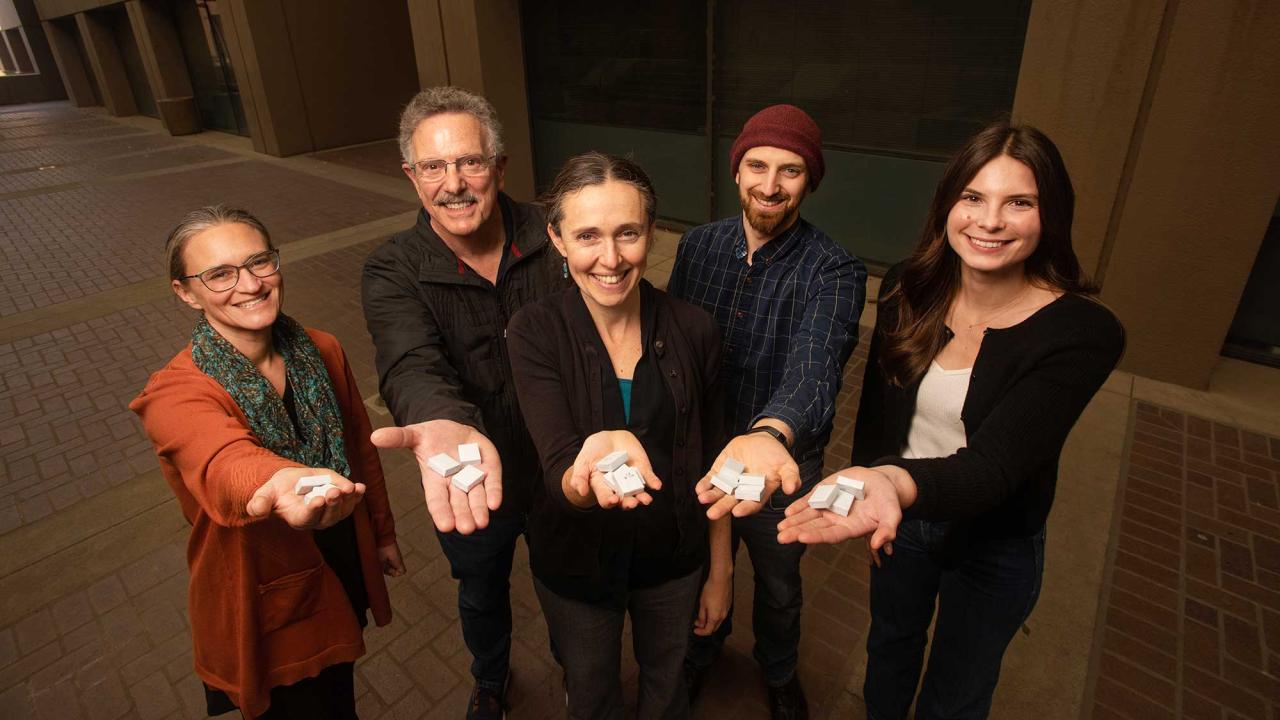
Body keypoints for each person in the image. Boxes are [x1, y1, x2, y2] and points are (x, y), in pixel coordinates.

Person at [777, 121, 1126, 719]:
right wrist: (869, 480)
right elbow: (881, 419)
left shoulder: (1081, 334)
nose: (989, 221)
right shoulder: (908, 287)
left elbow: (994, 468)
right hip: (901, 522)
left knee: (958, 691)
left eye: (1019, 202)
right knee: (889, 650)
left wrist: (891, 484)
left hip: (994, 539)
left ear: (1051, 215)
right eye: (973, 197)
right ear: (948, 204)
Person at [130, 206, 403, 720]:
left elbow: (361, 452)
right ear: (185, 292)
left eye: (260, 262)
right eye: (220, 274)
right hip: (265, 584)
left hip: (339, 550)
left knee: (338, 694)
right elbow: (219, 458)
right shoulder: (175, 391)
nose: (250, 284)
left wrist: (382, 534)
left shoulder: (321, 348)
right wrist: (277, 481)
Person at [361, 86, 567, 719]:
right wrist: (443, 424)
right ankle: (490, 679)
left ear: (499, 167)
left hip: (561, 464)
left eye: (470, 162)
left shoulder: (554, 234)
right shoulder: (392, 269)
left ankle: (578, 673)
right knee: (480, 589)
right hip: (469, 476)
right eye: (433, 167)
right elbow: (409, 361)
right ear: (412, 177)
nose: (454, 183)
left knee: (571, 584)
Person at [506, 152, 731, 719]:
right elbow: (560, 466)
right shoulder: (534, 331)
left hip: (675, 562)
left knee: (667, 686)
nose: (610, 259)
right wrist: (584, 477)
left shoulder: (694, 328)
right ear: (556, 238)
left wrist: (720, 572)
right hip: (576, 567)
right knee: (590, 690)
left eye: (627, 233)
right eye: (587, 235)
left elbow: (717, 466)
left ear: (652, 233)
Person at [668, 104, 866, 718]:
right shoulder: (698, 247)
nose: (770, 185)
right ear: (737, 172)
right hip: (700, 455)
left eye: (791, 171)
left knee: (780, 586)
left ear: (810, 181)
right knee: (698, 567)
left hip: (780, 470)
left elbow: (816, 367)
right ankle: (703, 654)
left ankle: (778, 673)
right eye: (757, 165)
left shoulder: (833, 269)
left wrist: (769, 432)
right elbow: (671, 344)